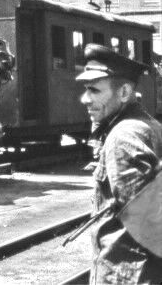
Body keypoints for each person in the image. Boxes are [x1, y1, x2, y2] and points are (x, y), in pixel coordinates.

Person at [76, 43, 162, 283]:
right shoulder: (149, 126)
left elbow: (149, 224)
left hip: (128, 275)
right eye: (86, 89)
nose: (85, 98)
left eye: (94, 90)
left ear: (124, 93)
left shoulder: (123, 137)